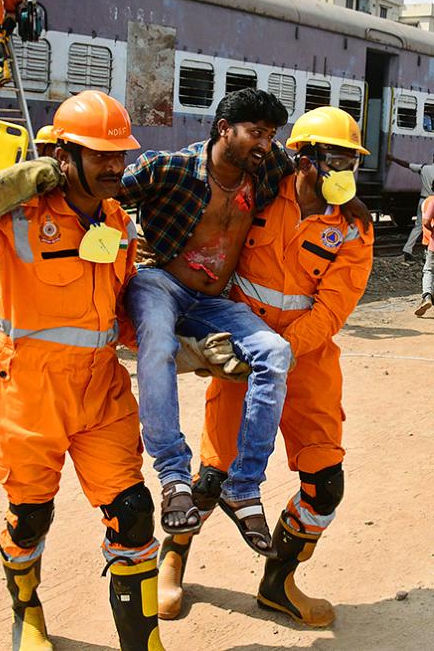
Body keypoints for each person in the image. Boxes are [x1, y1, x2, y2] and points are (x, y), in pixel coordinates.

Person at [0, 91, 166, 651]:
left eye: (119, 155)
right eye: (100, 155)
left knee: (132, 513)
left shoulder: (117, 224)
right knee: (29, 517)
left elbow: (118, 309)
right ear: (62, 156)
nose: (115, 166)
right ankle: (27, 611)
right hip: (29, 394)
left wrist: (182, 343)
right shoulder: (16, 216)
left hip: (102, 393)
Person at [158, 106, 374, 627]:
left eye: (352, 160)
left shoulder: (353, 230)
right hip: (239, 354)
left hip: (306, 362)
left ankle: (279, 583)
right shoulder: (253, 197)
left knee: (325, 485)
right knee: (212, 477)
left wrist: (275, 353)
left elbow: (330, 311)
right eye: (336, 158)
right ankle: (171, 565)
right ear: (303, 158)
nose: (345, 170)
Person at [119, 89, 296, 542]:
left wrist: (347, 198)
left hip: (215, 302)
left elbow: (313, 178)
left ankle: (243, 485)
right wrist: (122, 236)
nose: (266, 144)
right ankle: (174, 477)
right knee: (157, 342)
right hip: (161, 284)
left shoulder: (268, 168)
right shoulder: (170, 168)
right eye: (256, 133)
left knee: (275, 353)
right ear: (224, 130)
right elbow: (103, 190)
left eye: (272, 135)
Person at [386, 152, 434, 261]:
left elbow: (407, 165)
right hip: (433, 202)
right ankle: (427, 253)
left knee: (418, 226)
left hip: (423, 201)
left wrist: (393, 158)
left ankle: (407, 250)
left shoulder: (424, 168)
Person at [415, 181, 434, 316]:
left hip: (432, 242)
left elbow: (426, 221)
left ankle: (427, 296)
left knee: (429, 270)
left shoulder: (429, 201)